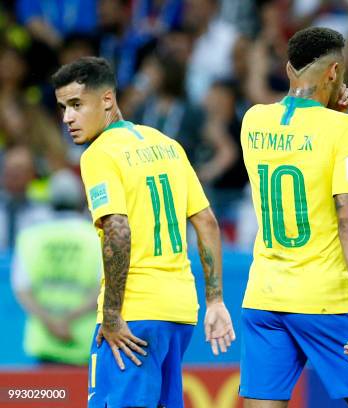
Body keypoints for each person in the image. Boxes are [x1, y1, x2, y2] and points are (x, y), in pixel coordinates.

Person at [51, 56, 235, 408]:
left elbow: (117, 230)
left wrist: (112, 314)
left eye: (76, 105)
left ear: (107, 100)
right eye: (62, 108)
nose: (67, 118)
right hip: (180, 312)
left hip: (134, 315)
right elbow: (207, 222)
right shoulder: (167, 145)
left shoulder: (99, 154)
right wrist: (215, 300)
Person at [239, 27, 348, 408]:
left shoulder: (253, 121)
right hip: (325, 298)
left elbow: (298, 149)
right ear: (334, 72)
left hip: (264, 295)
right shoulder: (345, 128)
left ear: (289, 69)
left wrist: (330, 115)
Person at [12, 169, 100, 366]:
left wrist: (52, 323)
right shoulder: (96, 237)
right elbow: (104, 288)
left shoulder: (30, 237)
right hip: (83, 340)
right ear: (81, 202)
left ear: (49, 202)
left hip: (45, 340)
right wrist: (67, 320)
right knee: (83, 397)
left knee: (49, 396)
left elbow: (22, 289)